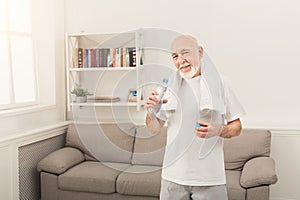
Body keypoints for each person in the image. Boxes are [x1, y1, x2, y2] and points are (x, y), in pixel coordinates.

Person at [145, 35, 245, 200]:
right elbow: (154, 128)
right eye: (175, 56)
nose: (181, 60)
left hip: (210, 179)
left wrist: (219, 129)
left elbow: (237, 127)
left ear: (200, 52)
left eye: (185, 53)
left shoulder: (221, 83)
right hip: (172, 177)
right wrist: (150, 112)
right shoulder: (167, 86)